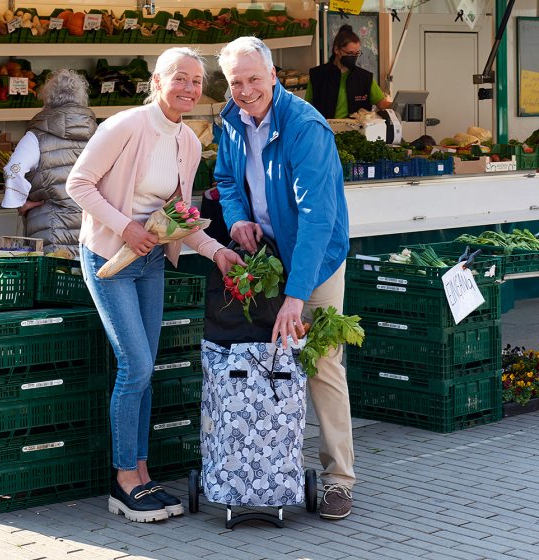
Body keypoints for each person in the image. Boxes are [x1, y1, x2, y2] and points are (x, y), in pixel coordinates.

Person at [66, 47, 243, 524]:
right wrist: (125, 227)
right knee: (136, 365)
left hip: (150, 265)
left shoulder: (188, 141)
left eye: (196, 81)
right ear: (157, 82)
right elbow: (78, 185)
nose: (189, 88)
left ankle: (143, 475)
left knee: (145, 371)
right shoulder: (125, 126)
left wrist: (217, 252)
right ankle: (124, 481)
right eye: (179, 79)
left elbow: (180, 219)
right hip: (109, 258)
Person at [215, 36, 355, 520]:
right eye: (236, 82)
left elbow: (318, 216)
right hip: (266, 254)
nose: (245, 90)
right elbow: (228, 180)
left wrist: (297, 294)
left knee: (320, 361)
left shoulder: (306, 127)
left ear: (274, 75)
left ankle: (338, 479)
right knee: (266, 357)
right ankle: (273, 469)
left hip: (314, 257)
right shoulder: (231, 120)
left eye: (254, 79)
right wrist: (235, 219)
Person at [2, 69, 97, 257]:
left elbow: (14, 170)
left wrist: (21, 203)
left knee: (54, 280)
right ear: (82, 99)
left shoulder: (36, 137)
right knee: (85, 283)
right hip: (92, 228)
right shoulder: (99, 133)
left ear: (47, 99)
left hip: (51, 228)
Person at [305, 24, 392, 119]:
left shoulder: (364, 78)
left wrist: (399, 105)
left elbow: (381, 103)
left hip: (357, 131)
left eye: (357, 53)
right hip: (325, 130)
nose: (354, 57)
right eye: (350, 53)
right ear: (337, 50)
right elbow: (307, 106)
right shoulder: (318, 75)